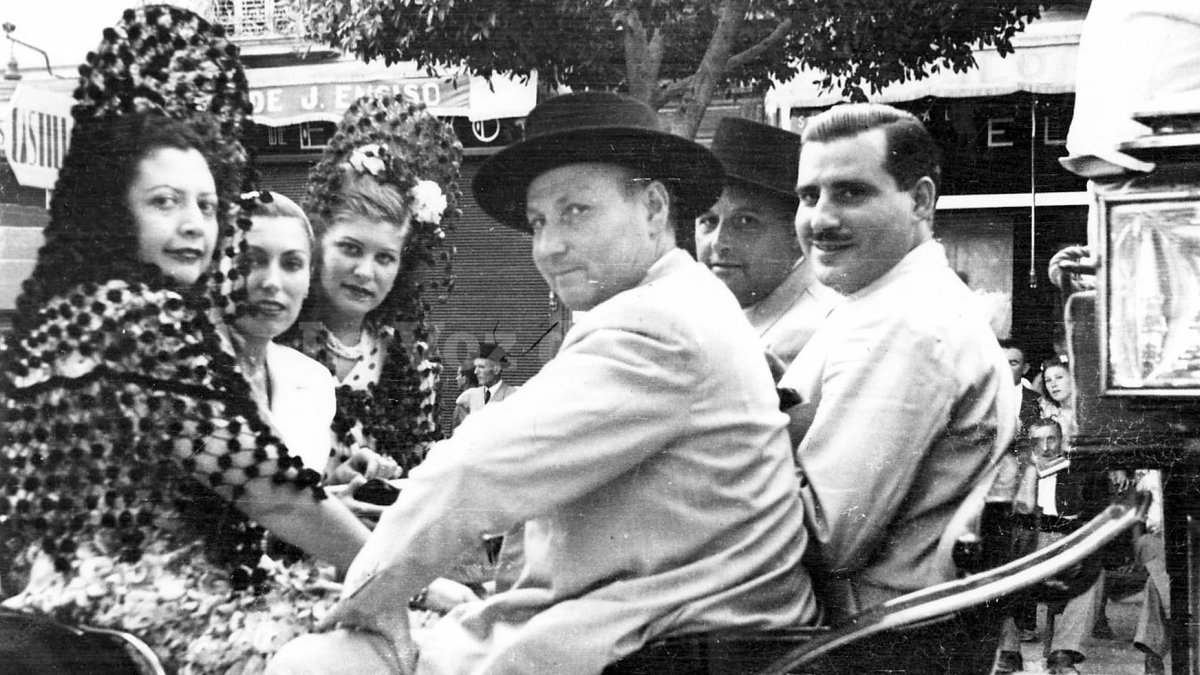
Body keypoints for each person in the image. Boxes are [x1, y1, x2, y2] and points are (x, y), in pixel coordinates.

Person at [269, 90, 818, 675]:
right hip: (680, 625)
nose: (549, 247)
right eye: (538, 222)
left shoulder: (656, 323)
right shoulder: (685, 301)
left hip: (661, 644)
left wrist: (369, 598)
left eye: (576, 211)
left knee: (313, 663)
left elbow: (473, 473)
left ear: (655, 209)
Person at [0, 7, 370, 673]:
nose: (196, 224)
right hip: (137, 614)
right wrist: (403, 572)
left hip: (103, 602)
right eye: (165, 202)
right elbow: (272, 490)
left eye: (206, 205)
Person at [777, 102, 1015, 621]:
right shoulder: (881, 300)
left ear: (920, 200)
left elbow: (827, 540)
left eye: (851, 192)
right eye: (808, 195)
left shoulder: (903, 323)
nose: (820, 218)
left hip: (843, 641)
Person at [282, 93, 462, 477]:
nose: (365, 272)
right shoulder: (279, 338)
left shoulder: (412, 360)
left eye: (385, 257)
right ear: (317, 242)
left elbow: (421, 470)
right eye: (350, 248)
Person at [695, 118, 839, 376]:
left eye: (745, 222)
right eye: (708, 221)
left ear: (796, 234)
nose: (718, 242)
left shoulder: (804, 333)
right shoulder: (720, 306)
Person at [451, 342, 519, 430]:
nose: (476, 372)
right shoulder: (469, 398)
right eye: (475, 367)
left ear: (496, 370)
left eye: (481, 367)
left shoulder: (513, 396)